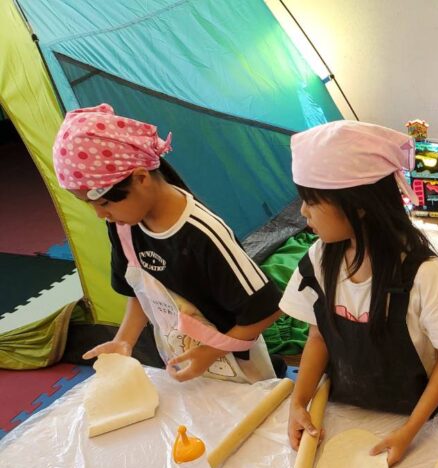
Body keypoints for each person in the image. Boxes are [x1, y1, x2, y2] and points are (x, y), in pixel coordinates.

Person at [280, 121, 438, 464]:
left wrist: (409, 431)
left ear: (359, 205)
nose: (303, 211)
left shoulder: (423, 274)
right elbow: (318, 337)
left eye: (311, 200)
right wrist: (298, 402)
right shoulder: (319, 259)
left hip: (421, 419)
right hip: (348, 408)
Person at [53, 104, 281, 383]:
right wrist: (124, 340)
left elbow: (266, 310)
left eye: (103, 203)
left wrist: (210, 352)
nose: (100, 215)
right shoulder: (124, 226)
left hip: (237, 366)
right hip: (180, 357)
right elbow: (140, 291)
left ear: (140, 178)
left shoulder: (203, 234)